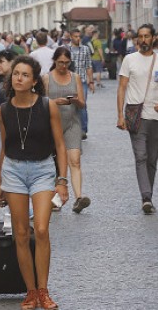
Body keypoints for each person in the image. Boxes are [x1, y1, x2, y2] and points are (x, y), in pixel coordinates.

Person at [0, 56, 68, 310]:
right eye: (16, 73)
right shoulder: (3, 110)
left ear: (34, 80)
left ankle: (45, 290)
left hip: (42, 170)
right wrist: (0, 183)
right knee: (21, 234)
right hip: (13, 171)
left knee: (42, 229)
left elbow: (60, 144)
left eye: (25, 75)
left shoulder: (48, 106)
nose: (19, 78)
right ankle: (31, 292)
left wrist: (62, 181)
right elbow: (4, 148)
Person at [117, 24, 158, 214]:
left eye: (147, 36)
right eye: (140, 36)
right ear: (136, 40)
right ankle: (146, 197)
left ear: (153, 38)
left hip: (157, 116)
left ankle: (148, 193)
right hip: (136, 115)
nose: (143, 40)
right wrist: (119, 115)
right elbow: (122, 88)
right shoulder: (129, 59)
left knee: (152, 159)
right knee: (141, 156)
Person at [42, 47, 89, 214]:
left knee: (75, 160)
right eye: (60, 62)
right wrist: (56, 102)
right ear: (55, 61)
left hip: (72, 123)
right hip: (52, 126)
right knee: (54, 165)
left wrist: (75, 100)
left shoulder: (75, 77)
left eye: (67, 63)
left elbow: (83, 104)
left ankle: (78, 197)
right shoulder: (47, 78)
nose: (63, 66)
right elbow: (40, 103)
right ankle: (55, 199)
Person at [69, 29, 94, 140]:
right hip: (68, 81)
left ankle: (83, 129)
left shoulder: (85, 49)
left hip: (82, 81)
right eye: (75, 36)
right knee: (69, 105)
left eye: (79, 36)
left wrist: (91, 81)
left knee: (82, 105)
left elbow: (88, 66)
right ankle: (71, 128)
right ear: (71, 37)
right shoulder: (65, 49)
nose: (78, 38)